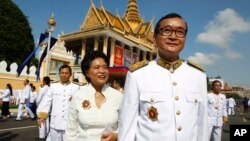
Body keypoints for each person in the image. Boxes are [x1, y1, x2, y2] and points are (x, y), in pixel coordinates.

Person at [118, 13, 208, 141]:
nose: (173, 36)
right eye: (166, 31)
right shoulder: (137, 74)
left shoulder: (198, 75)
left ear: (185, 39)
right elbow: (127, 124)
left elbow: (202, 123)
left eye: (180, 32)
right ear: (154, 38)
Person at [65, 51, 123, 141]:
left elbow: (125, 126)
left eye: (105, 67)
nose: (102, 71)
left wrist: (116, 135)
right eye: (96, 67)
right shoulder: (78, 96)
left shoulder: (118, 96)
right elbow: (71, 131)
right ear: (87, 72)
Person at [37, 65, 80, 141]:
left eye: (66, 73)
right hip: (55, 122)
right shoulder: (53, 86)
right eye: (62, 73)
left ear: (70, 74)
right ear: (59, 74)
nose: (64, 75)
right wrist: (42, 116)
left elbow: (79, 105)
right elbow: (47, 101)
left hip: (70, 123)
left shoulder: (76, 87)